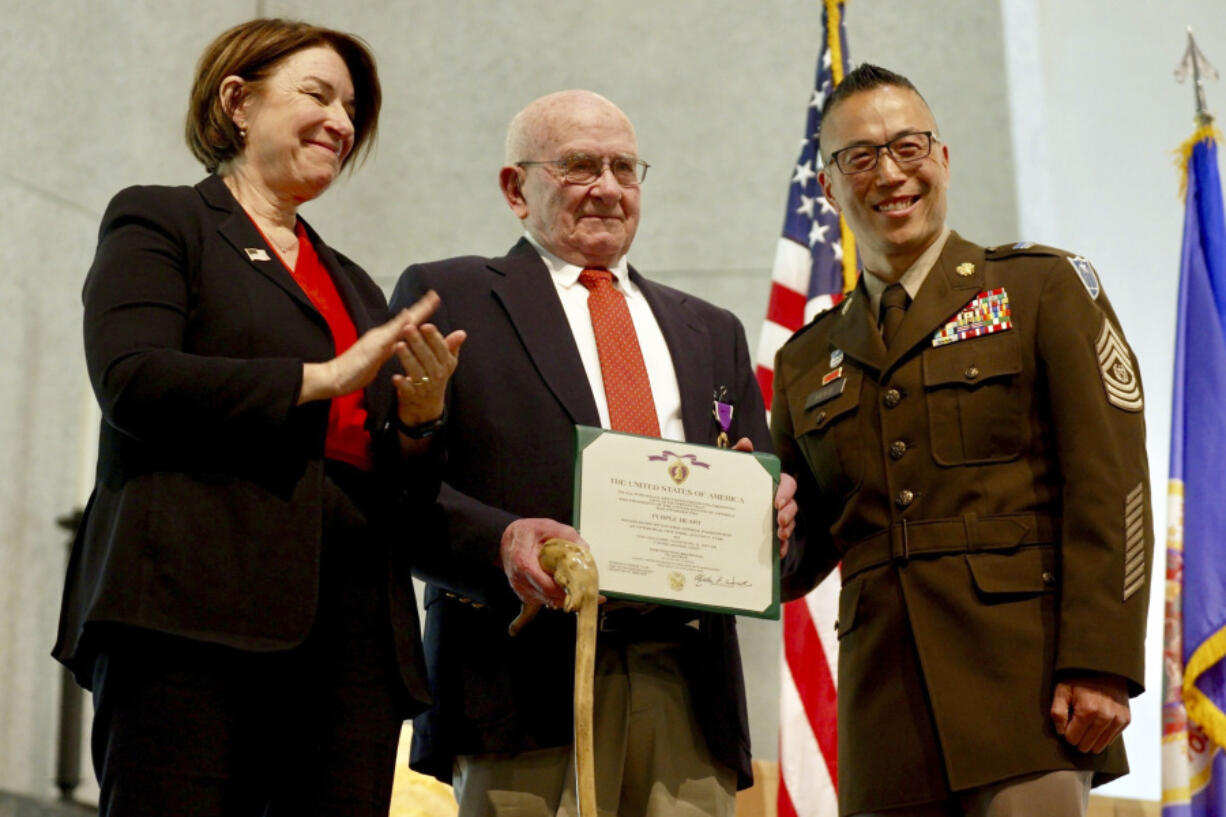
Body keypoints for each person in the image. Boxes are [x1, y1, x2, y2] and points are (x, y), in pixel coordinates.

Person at [52, 18, 464, 817]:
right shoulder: (160, 222)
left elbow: (401, 493)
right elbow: (134, 381)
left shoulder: (352, 283)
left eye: (352, 110)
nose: (342, 124)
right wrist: (320, 377)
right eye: (319, 94)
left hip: (350, 648)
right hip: (190, 620)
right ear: (237, 101)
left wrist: (417, 422)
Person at [390, 89, 796, 817]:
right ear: (516, 187)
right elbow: (398, 489)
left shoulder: (712, 329)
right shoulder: (447, 299)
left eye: (624, 167)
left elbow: (760, 516)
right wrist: (500, 541)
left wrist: (771, 522)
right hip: (522, 688)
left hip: (688, 693)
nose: (607, 187)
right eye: (578, 166)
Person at [771, 64, 1151, 817]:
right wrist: (740, 533)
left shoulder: (1041, 290)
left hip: (1029, 692)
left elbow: (1112, 487)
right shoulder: (806, 358)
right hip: (883, 714)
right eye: (861, 157)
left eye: (908, 147)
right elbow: (801, 549)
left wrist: (1102, 663)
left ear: (942, 159)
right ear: (828, 188)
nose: (890, 173)